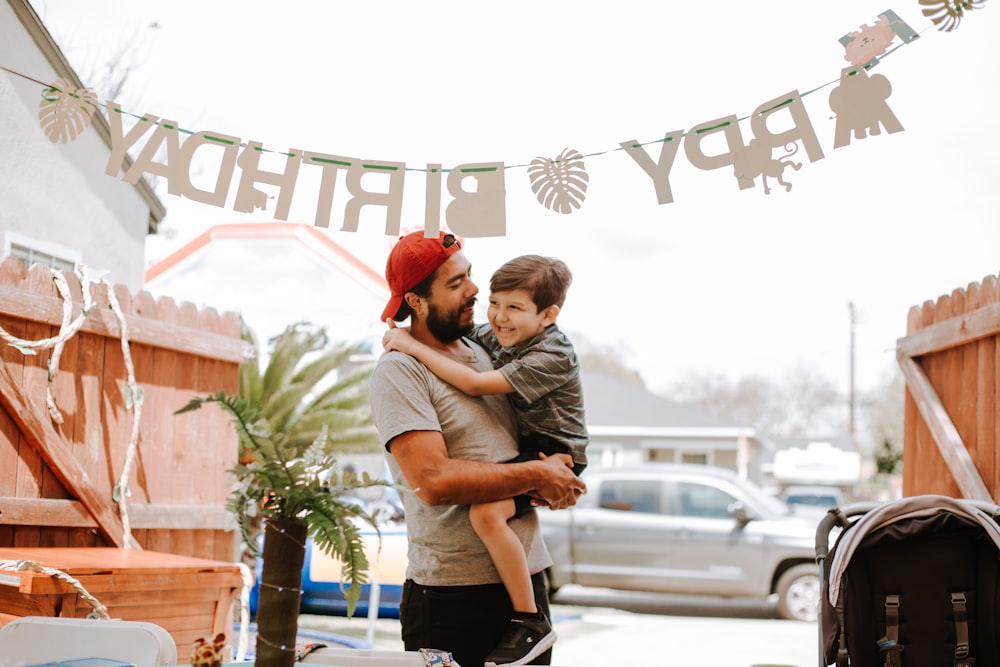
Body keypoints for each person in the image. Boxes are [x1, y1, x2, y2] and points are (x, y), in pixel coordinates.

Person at [369, 231, 586, 667]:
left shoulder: (491, 348)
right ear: (415, 301)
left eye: (469, 276)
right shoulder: (401, 370)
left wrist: (553, 478)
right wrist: (540, 476)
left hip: (526, 580)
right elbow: (433, 482)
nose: (473, 291)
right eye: (455, 284)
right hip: (452, 595)